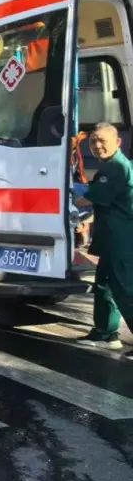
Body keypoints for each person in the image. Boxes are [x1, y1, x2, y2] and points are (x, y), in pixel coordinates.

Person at [76, 123, 133, 356]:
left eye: (102, 141)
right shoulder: (113, 166)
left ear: (118, 142)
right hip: (112, 237)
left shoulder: (115, 168)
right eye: (93, 142)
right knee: (104, 285)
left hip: (121, 239)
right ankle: (105, 332)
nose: (97, 146)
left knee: (124, 289)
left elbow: (88, 200)